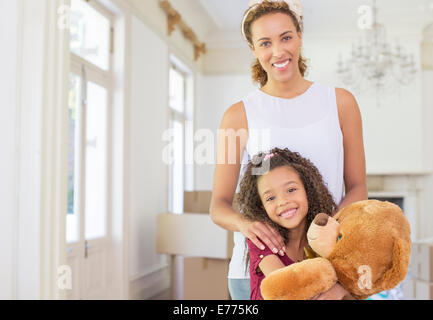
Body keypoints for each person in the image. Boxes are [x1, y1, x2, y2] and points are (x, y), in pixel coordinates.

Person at [209, 0, 367, 300]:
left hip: (326, 269)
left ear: (300, 36)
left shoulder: (341, 103)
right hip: (257, 277)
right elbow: (218, 205)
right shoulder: (237, 115)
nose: (278, 52)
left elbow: (359, 188)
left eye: (286, 37)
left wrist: (323, 234)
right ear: (253, 49)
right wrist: (246, 223)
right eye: (265, 42)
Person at [235, 147, 354, 300]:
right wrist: (335, 287)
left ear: (307, 189)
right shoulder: (261, 240)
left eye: (291, 190)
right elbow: (289, 289)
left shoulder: (324, 240)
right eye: (271, 198)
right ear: (261, 207)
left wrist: (342, 292)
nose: (283, 201)